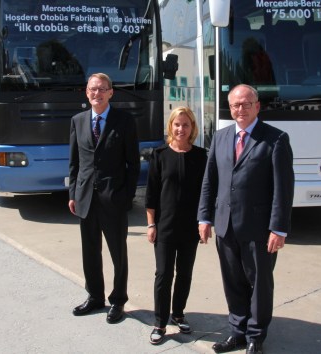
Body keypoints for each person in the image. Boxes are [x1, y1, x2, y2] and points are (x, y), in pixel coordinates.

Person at [197, 84, 294, 354]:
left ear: (257, 106)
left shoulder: (276, 139)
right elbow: (210, 180)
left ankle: (255, 337)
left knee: (260, 284)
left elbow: (283, 189)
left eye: (246, 104)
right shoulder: (220, 137)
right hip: (225, 224)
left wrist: (279, 228)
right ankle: (237, 332)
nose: (240, 109)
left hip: (259, 229)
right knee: (233, 282)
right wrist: (204, 217)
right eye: (235, 105)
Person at [68, 73, 140, 324]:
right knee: (90, 251)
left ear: (111, 92)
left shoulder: (124, 121)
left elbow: (133, 163)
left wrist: (127, 196)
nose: (96, 93)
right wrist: (73, 193)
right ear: (86, 92)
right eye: (91, 89)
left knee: (118, 253)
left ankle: (118, 301)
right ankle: (95, 296)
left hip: (114, 199)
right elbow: (75, 162)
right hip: (86, 198)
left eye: (101, 89)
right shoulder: (77, 121)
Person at [145, 107, 207, 345]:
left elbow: (206, 193)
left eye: (186, 125)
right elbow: (151, 195)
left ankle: (178, 313)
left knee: (185, 274)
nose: (181, 129)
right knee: (163, 274)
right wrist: (151, 225)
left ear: (193, 128)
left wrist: (204, 222)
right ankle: (160, 322)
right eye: (177, 124)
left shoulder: (201, 156)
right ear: (170, 126)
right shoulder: (159, 155)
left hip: (190, 228)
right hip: (165, 226)